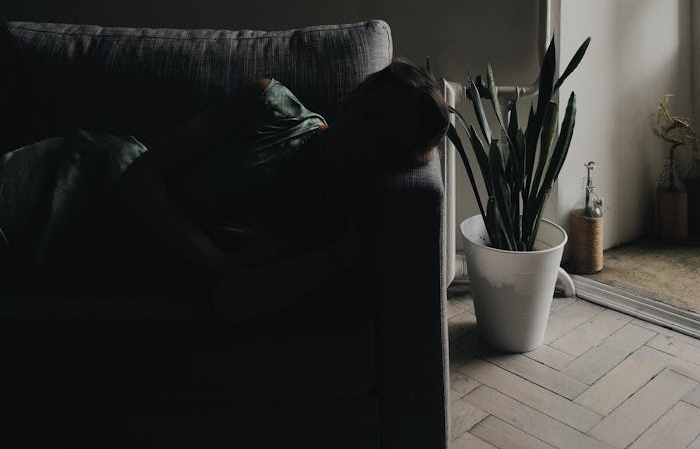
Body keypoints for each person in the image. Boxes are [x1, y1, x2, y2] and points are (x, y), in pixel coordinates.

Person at [0, 59, 449, 321]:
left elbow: (233, 303)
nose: (366, 138)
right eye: (371, 115)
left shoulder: (331, 217)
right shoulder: (270, 104)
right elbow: (140, 174)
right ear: (355, 97)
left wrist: (336, 259)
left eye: (387, 142)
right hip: (78, 179)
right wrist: (213, 260)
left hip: (92, 253)